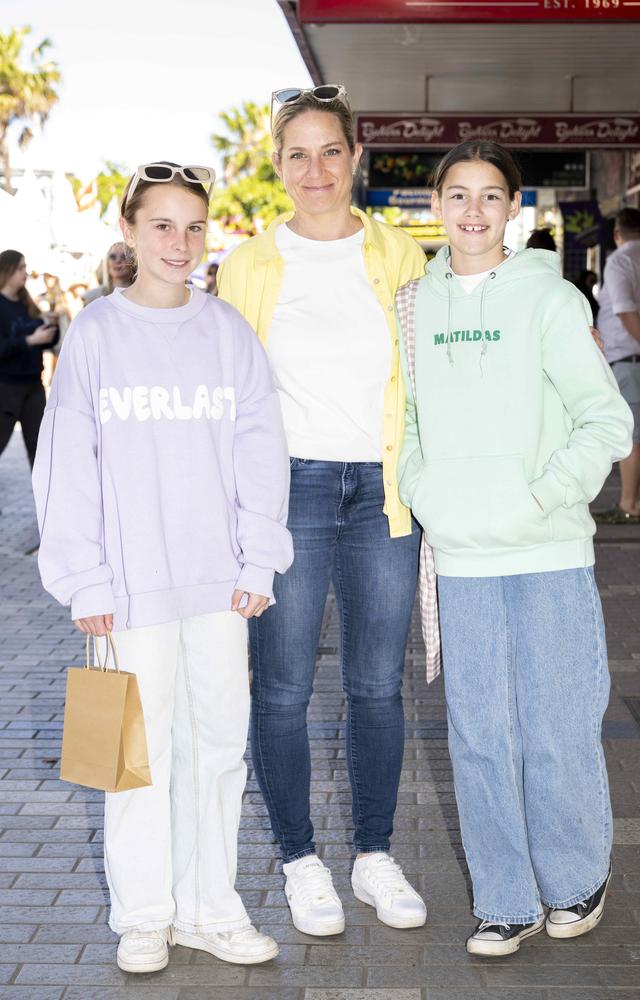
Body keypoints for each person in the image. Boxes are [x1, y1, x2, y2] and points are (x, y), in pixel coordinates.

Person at [32, 162, 293, 974]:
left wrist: (260, 557)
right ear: (129, 230)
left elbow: (262, 451)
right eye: (161, 226)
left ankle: (211, 909)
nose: (179, 244)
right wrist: (84, 580)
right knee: (135, 757)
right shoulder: (98, 334)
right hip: (129, 591)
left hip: (221, 585)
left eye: (192, 226)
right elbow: (66, 462)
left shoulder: (227, 332)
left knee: (218, 750)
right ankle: (145, 916)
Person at [396, 140, 633, 958]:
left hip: (546, 552)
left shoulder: (550, 297)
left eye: (489, 197)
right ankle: (504, 900)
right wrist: (429, 491)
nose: (471, 212)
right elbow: (413, 423)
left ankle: (573, 882)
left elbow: (608, 420)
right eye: (456, 195)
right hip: (461, 555)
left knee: (556, 727)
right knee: (479, 736)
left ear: (513, 210)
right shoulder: (415, 304)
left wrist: (543, 495)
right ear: (437, 205)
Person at [218, 85, 428, 936]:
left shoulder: (404, 257)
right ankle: (301, 860)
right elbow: (227, 397)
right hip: (289, 490)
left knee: (378, 685)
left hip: (382, 489)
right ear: (277, 164)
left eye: (330, 151)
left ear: (355, 158)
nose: (315, 169)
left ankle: (374, 854)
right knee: (284, 687)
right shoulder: (247, 263)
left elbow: (427, 379)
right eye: (297, 153)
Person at [593, 208, 640, 524]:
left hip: (631, 358)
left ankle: (630, 504)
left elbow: (625, 309)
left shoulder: (620, 261)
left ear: (617, 234)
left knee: (632, 435)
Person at [0, 250, 59, 467]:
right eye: (21, 268)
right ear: (7, 269)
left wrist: (51, 326)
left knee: (41, 451)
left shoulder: (27, 303)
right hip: (6, 388)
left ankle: (46, 499)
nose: (25, 272)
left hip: (34, 387)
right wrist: (29, 341)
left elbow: (46, 342)